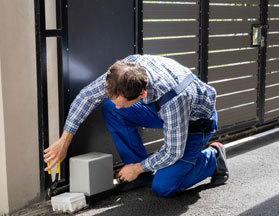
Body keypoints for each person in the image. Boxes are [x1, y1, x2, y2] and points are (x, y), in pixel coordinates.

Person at [43, 54, 229, 197]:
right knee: (111, 109)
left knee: (164, 188)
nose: (118, 106)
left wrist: (138, 167)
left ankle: (213, 158)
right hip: (165, 112)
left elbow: (173, 152)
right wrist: (64, 142)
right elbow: (86, 97)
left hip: (195, 123)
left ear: (141, 94)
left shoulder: (174, 98)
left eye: (122, 102)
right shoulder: (124, 73)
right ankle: (141, 176)